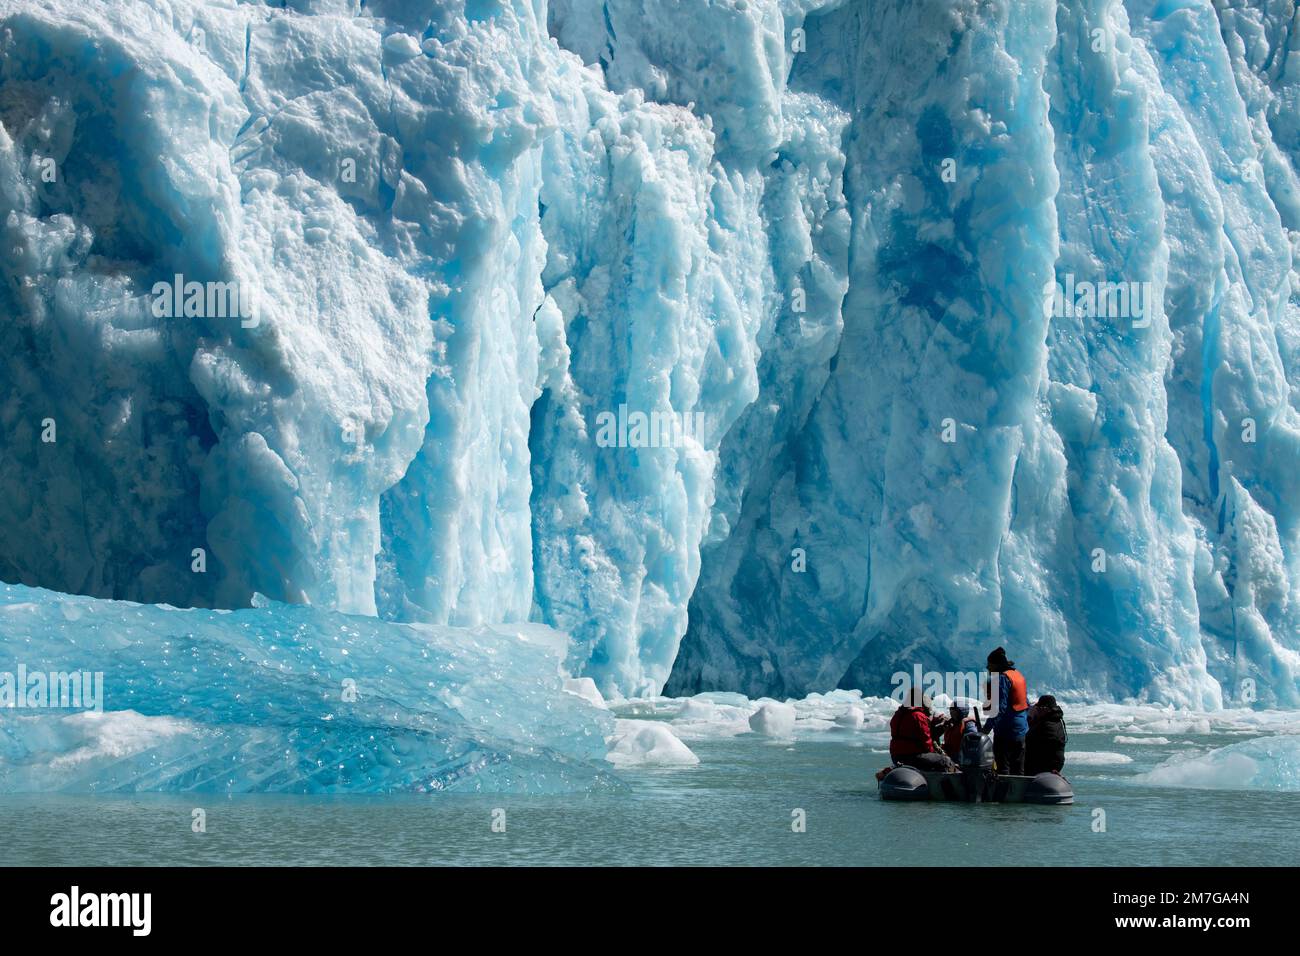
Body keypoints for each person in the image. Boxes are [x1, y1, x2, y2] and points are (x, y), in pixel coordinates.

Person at [983, 646, 1029, 775]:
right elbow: (1026, 703)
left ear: (997, 665)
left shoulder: (1002, 679)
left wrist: (987, 728)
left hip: (1006, 730)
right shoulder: (1018, 676)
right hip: (1021, 730)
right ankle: (1017, 793)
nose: (988, 668)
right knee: (1018, 769)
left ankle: (1003, 794)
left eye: (989, 664)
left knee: (1003, 769)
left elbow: (999, 708)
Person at [889, 689, 953, 771]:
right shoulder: (918, 716)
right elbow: (926, 741)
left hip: (896, 757)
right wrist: (935, 753)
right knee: (944, 760)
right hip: (912, 757)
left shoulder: (897, 715)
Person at [1025, 694, 1067, 774]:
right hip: (1057, 764)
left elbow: (1027, 740)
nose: (1037, 710)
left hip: (1045, 766)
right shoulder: (1057, 720)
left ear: (1045, 709)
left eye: (1038, 708)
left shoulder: (1045, 725)